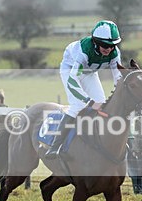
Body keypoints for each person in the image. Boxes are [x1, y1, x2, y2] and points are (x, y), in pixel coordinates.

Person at [46, 20, 123, 157]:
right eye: (105, 45)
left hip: (89, 73)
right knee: (78, 105)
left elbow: (118, 78)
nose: (109, 49)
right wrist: (89, 101)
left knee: (101, 101)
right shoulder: (83, 52)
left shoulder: (114, 53)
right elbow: (72, 81)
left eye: (113, 45)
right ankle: (55, 146)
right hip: (70, 71)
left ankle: (94, 139)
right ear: (96, 42)